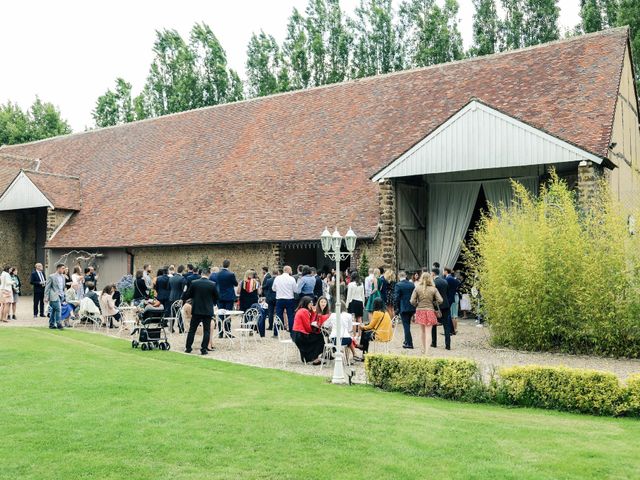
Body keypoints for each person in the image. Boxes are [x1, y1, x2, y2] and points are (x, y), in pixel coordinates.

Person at [184, 268, 219, 355]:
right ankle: (203, 349)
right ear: (209, 274)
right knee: (206, 330)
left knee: (192, 330)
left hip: (196, 309)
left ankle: (188, 348)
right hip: (207, 310)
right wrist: (212, 302)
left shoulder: (194, 283)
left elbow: (188, 295)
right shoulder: (212, 284)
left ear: (201, 274)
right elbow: (217, 297)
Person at [410, 273, 443, 355]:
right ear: (430, 279)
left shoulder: (417, 288)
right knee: (428, 332)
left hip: (420, 311)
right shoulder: (433, 289)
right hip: (430, 310)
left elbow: (412, 301)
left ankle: (423, 349)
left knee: (422, 332)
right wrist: (434, 303)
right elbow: (441, 300)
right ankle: (427, 351)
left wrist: (417, 304)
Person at [292, 296, 324, 365]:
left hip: (296, 334)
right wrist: (316, 330)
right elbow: (308, 327)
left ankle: (311, 357)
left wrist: (313, 312)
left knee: (316, 336)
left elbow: (308, 324)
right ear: (306, 303)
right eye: (310, 303)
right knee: (320, 337)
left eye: (312, 303)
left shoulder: (301, 310)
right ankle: (314, 358)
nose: (312, 304)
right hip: (300, 335)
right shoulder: (304, 311)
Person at [394, 270, 416, 349]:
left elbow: (396, 298)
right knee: (408, 325)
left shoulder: (398, 285)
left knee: (406, 326)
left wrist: (396, 309)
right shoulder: (411, 284)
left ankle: (409, 343)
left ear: (399, 276)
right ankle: (407, 340)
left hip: (403, 307)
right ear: (405, 276)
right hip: (411, 307)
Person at [216, 259, 238, 338]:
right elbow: (236, 284)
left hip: (220, 296)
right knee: (228, 315)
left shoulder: (217, 274)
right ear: (228, 265)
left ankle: (220, 333)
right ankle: (228, 332)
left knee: (220, 314)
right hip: (229, 296)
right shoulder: (231, 274)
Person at [273, 265, 297, 335]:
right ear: (288, 270)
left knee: (278, 316)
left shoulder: (277, 278)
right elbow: (295, 290)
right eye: (291, 270)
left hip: (279, 299)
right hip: (289, 299)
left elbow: (273, 288)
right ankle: (292, 332)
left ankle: (276, 332)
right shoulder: (291, 279)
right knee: (290, 316)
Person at [431, 268, 451, 350]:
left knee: (433, 325)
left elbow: (433, 296)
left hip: (436, 306)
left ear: (433, 273)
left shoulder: (433, 283)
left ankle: (434, 342)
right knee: (446, 326)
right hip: (445, 305)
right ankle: (448, 345)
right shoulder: (445, 281)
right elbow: (447, 293)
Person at [44, 263, 66, 329]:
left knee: (53, 310)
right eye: (62, 268)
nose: (63, 270)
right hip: (54, 295)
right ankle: (59, 324)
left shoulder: (63, 277)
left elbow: (63, 287)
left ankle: (51, 324)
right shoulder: (51, 276)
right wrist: (46, 296)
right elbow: (47, 287)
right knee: (58, 309)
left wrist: (64, 295)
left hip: (61, 295)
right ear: (58, 268)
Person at [444, 267, 461, 335]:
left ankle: (452, 330)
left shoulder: (448, 278)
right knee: (452, 314)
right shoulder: (453, 278)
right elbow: (458, 284)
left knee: (451, 314)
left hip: (451, 297)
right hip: (454, 296)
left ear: (446, 271)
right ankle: (453, 330)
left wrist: (452, 291)